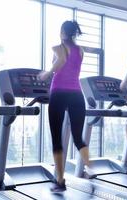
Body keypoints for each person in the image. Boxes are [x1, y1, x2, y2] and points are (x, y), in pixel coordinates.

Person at [38, 20, 94, 192]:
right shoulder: (81, 50)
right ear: (74, 33)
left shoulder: (57, 48)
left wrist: (47, 73)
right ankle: (90, 168)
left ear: (62, 31)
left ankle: (60, 181)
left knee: (57, 139)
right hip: (77, 95)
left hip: (59, 93)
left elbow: (62, 60)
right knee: (78, 137)